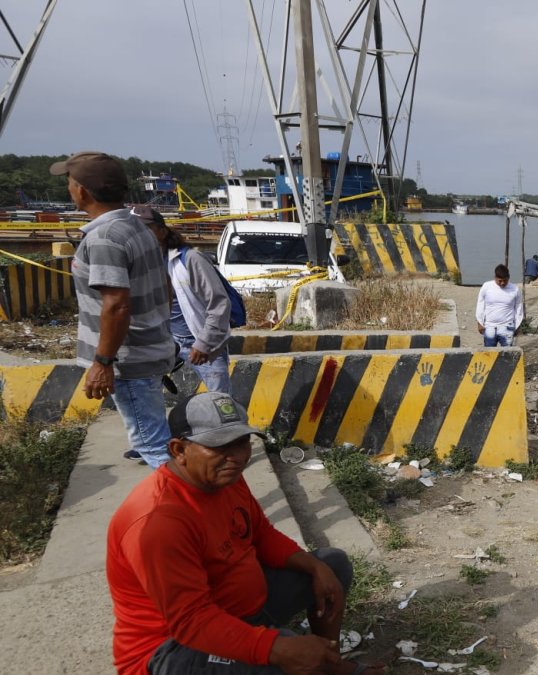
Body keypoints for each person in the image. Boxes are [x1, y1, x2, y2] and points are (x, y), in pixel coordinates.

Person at [106, 392, 382, 675]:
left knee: (332, 566)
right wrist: (274, 648)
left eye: (242, 443)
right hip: (172, 648)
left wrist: (315, 567)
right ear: (179, 450)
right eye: (220, 446)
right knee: (280, 660)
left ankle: (328, 663)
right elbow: (190, 621)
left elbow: (261, 534)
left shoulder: (224, 480)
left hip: (238, 610)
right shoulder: (158, 523)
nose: (237, 457)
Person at [52, 152, 175, 467]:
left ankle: (194, 512)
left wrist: (103, 363)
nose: (69, 189)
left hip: (128, 359)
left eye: (70, 182)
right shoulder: (135, 226)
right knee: (156, 439)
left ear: (83, 190)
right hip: (147, 349)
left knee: (154, 448)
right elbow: (164, 287)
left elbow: (117, 305)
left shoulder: (105, 239)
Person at [133, 205, 233, 394]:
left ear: (162, 232)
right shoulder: (141, 266)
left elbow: (219, 305)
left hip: (199, 343)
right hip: (166, 344)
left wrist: (205, 343)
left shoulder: (191, 260)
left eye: (146, 229)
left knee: (222, 402)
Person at [475, 263, 523, 347]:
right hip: (489, 327)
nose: (502, 283)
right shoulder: (487, 286)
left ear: (508, 278)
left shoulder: (515, 289)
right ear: (495, 277)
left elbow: (519, 308)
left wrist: (518, 325)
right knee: (489, 354)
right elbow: (480, 305)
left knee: (507, 355)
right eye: (500, 281)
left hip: (507, 327)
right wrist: (480, 323)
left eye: (505, 280)